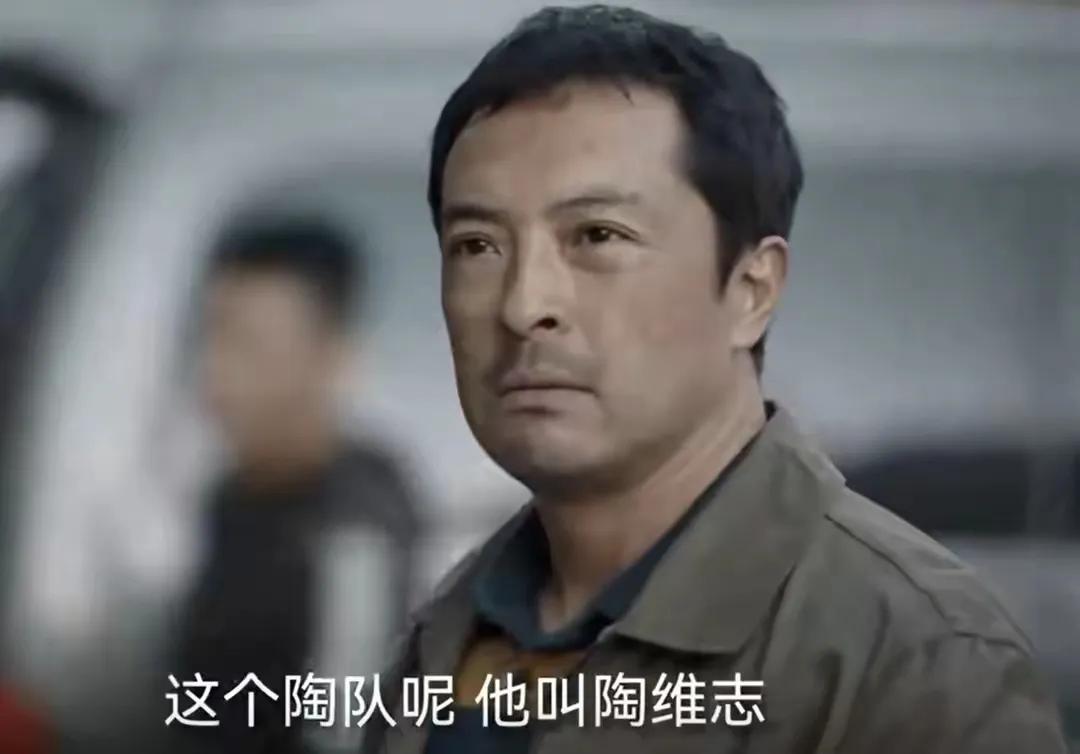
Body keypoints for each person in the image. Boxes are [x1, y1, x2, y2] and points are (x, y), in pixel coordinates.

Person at [361, 5, 1068, 754]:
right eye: (477, 245)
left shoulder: (915, 658)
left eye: (598, 235)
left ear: (751, 291)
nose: (524, 305)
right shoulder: (451, 626)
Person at [169, 216, 420, 754]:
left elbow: (343, 731)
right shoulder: (233, 495)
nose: (215, 372)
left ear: (331, 361)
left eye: (249, 347)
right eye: (211, 336)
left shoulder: (355, 530)